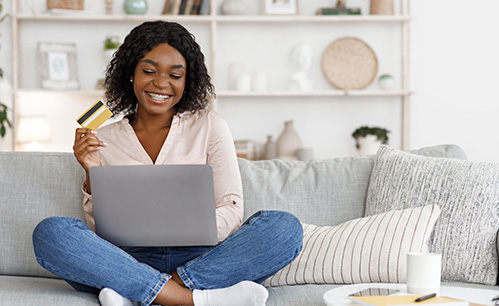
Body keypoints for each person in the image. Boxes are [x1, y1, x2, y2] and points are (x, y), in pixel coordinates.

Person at [31, 21, 303, 306]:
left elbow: (231, 208)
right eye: (149, 71)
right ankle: (195, 299)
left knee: (284, 228)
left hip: (202, 258)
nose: (161, 83)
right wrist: (91, 169)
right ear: (131, 75)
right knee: (51, 234)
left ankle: (142, 292)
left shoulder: (210, 126)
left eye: (175, 75)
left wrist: (192, 228)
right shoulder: (105, 138)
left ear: (187, 81)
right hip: (128, 258)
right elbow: (102, 230)